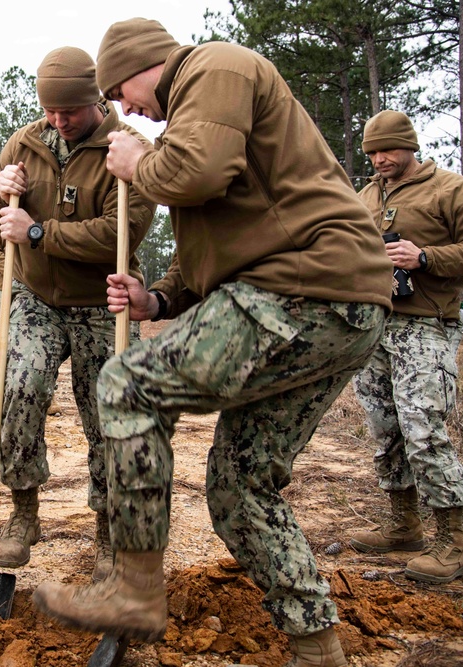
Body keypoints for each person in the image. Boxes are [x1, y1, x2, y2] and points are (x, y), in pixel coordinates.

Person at [30, 18, 395, 667]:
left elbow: (195, 174)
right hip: (335, 306)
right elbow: (211, 248)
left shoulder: (215, 67)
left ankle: (135, 587)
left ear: (146, 63)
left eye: (120, 91)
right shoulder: (196, 124)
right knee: (239, 488)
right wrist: (158, 300)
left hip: (303, 290)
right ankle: (316, 644)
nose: (123, 110)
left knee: (126, 382)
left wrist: (139, 161)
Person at [0, 46, 156, 580]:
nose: (58, 121)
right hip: (33, 295)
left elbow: (116, 234)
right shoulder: (27, 141)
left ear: (97, 100)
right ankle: (23, 509)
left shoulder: (131, 150)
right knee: (18, 387)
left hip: (104, 301)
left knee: (108, 417)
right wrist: (1, 195)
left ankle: (107, 532)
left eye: (69, 112)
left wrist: (37, 231)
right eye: (50, 110)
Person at [348, 110, 463, 584]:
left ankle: (454, 542)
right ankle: (403, 525)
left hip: (426, 327)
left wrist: (426, 257)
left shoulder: (451, 190)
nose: (380, 160)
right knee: (385, 428)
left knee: (423, 427)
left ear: (410, 146)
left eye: (388, 150)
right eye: (372, 153)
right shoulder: (365, 196)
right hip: (375, 325)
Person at [0, 226, 62, 416]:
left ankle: (48, 393)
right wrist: (21, 273)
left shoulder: (40, 214)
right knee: (2, 340)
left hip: (40, 289)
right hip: (6, 285)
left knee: (42, 344)